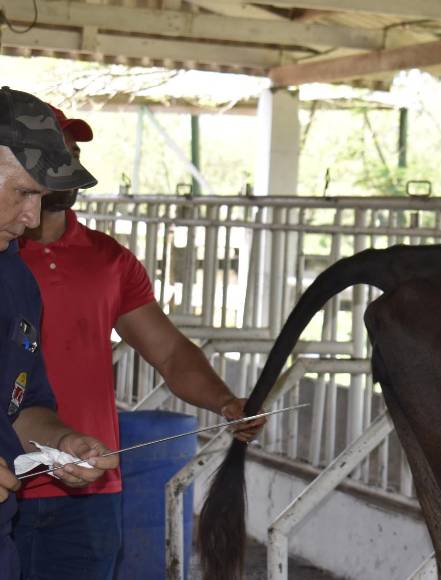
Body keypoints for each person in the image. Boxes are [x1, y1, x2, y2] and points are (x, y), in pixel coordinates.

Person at [12, 104, 265, 580]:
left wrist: (226, 401)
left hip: (87, 487)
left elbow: (168, 352)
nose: (70, 159)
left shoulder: (108, 260)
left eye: (74, 149)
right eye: (58, 151)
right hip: (9, 479)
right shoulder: (5, 251)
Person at [0, 86, 120, 578]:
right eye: (23, 192)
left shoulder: (16, 281)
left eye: (41, 198)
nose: (32, 219)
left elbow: (22, 406)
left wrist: (62, 442)